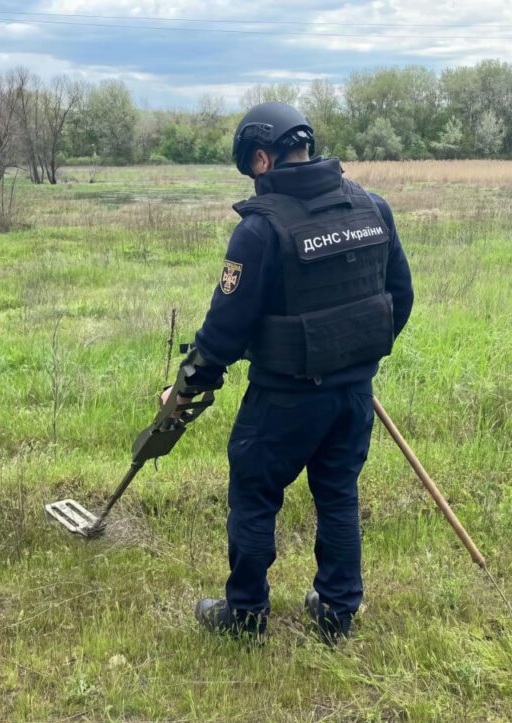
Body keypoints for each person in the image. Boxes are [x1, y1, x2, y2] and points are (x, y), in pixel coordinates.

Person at [162, 101, 413, 642]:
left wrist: (188, 383)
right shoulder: (373, 207)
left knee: (254, 496)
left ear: (261, 158)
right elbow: (401, 298)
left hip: (283, 400)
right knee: (338, 491)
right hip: (352, 396)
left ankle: (246, 614)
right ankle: (337, 611)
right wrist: (352, 359)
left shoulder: (260, 231)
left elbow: (224, 330)